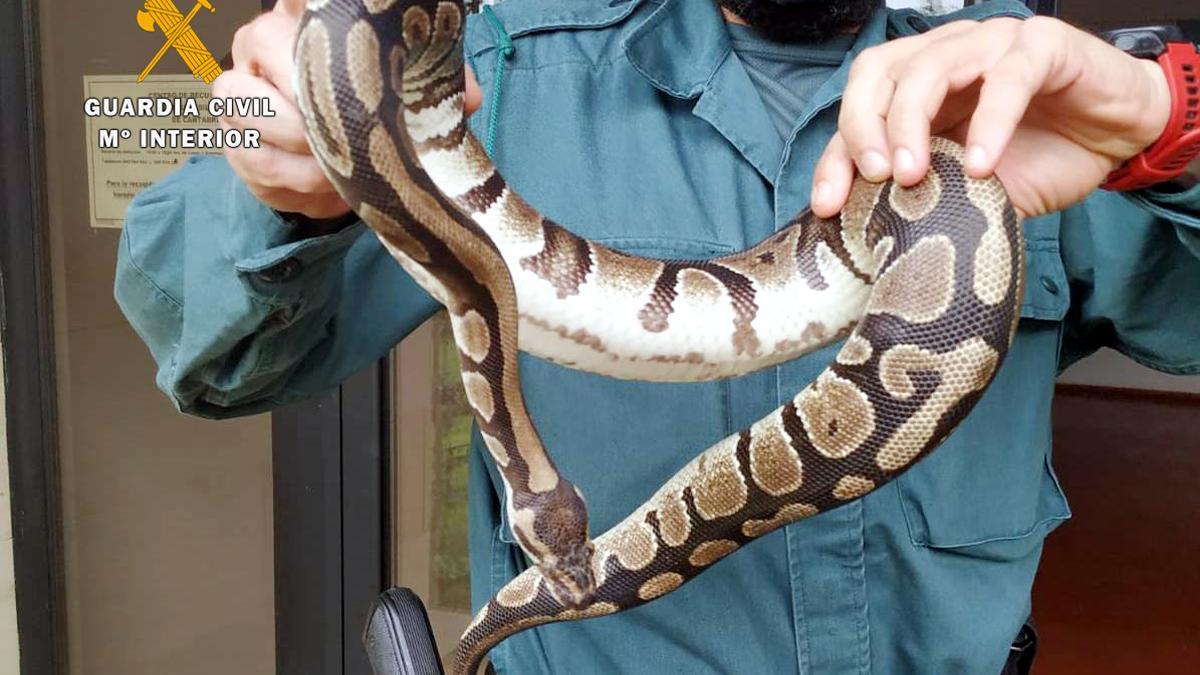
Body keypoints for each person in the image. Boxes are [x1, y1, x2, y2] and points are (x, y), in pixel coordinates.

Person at [115, 0, 1200, 672]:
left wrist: (1171, 126)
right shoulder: (498, 72)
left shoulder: (1018, 89)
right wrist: (287, 194)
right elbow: (208, 350)